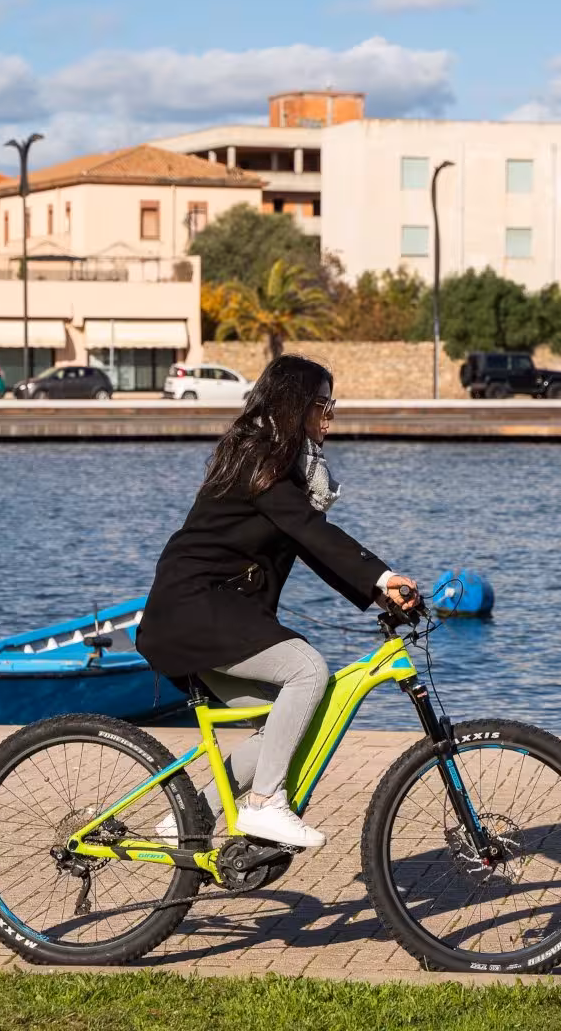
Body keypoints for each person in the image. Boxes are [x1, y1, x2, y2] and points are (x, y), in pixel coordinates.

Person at [136, 354, 418, 848]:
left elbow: (307, 542)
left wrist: (378, 591)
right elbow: (310, 530)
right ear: (296, 405)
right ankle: (265, 802)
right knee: (308, 671)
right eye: (323, 405)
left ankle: (191, 816)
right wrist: (383, 575)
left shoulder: (278, 462)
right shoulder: (260, 455)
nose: (330, 418)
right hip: (194, 608)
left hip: (205, 611)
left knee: (294, 712)